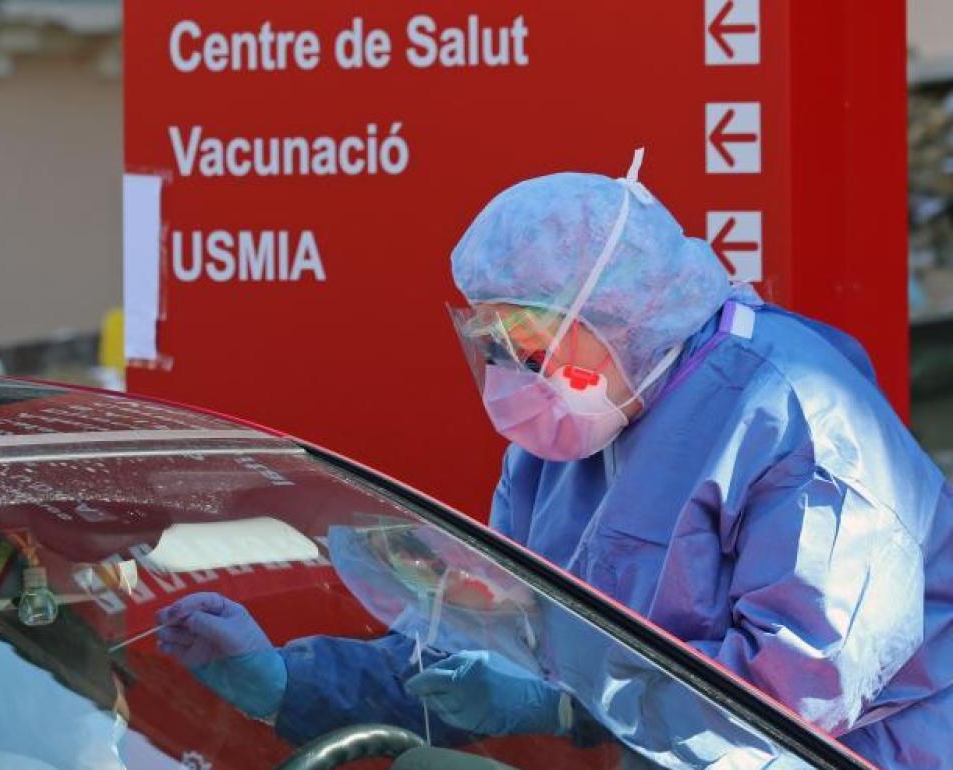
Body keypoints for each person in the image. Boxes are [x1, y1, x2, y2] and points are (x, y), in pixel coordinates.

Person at [156, 150, 953, 770]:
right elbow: (483, 643)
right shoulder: (564, 444)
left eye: (527, 344)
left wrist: (566, 708)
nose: (511, 374)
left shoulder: (794, 415)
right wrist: (289, 682)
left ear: (623, 310)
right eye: (492, 345)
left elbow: (799, 694)